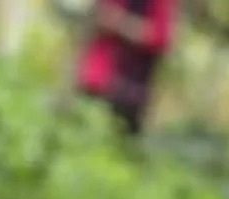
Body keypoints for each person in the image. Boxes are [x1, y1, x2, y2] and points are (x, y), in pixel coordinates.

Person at [76, 0, 177, 136]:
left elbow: (160, 38)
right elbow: (99, 17)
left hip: (130, 94)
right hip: (97, 80)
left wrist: (121, 23)